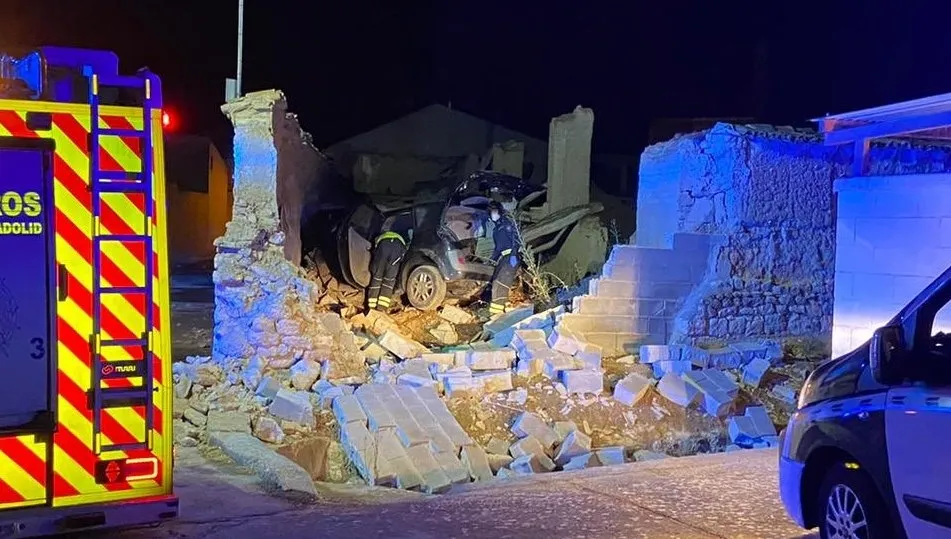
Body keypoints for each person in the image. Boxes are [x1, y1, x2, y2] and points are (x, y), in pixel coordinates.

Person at [486, 200, 521, 316]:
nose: (493, 214)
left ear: (500, 211)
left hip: (511, 257)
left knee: (501, 283)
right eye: (491, 212)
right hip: (503, 257)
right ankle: (497, 311)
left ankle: (497, 314)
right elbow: (497, 249)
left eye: (494, 211)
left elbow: (516, 240)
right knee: (495, 282)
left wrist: (514, 255)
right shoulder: (496, 230)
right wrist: (491, 260)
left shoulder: (507, 224)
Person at [367, 227, 407, 312]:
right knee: (389, 281)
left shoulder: (381, 235)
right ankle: (381, 309)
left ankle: (371, 308)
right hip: (397, 248)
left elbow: (374, 250)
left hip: (383, 245)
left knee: (377, 278)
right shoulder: (403, 237)